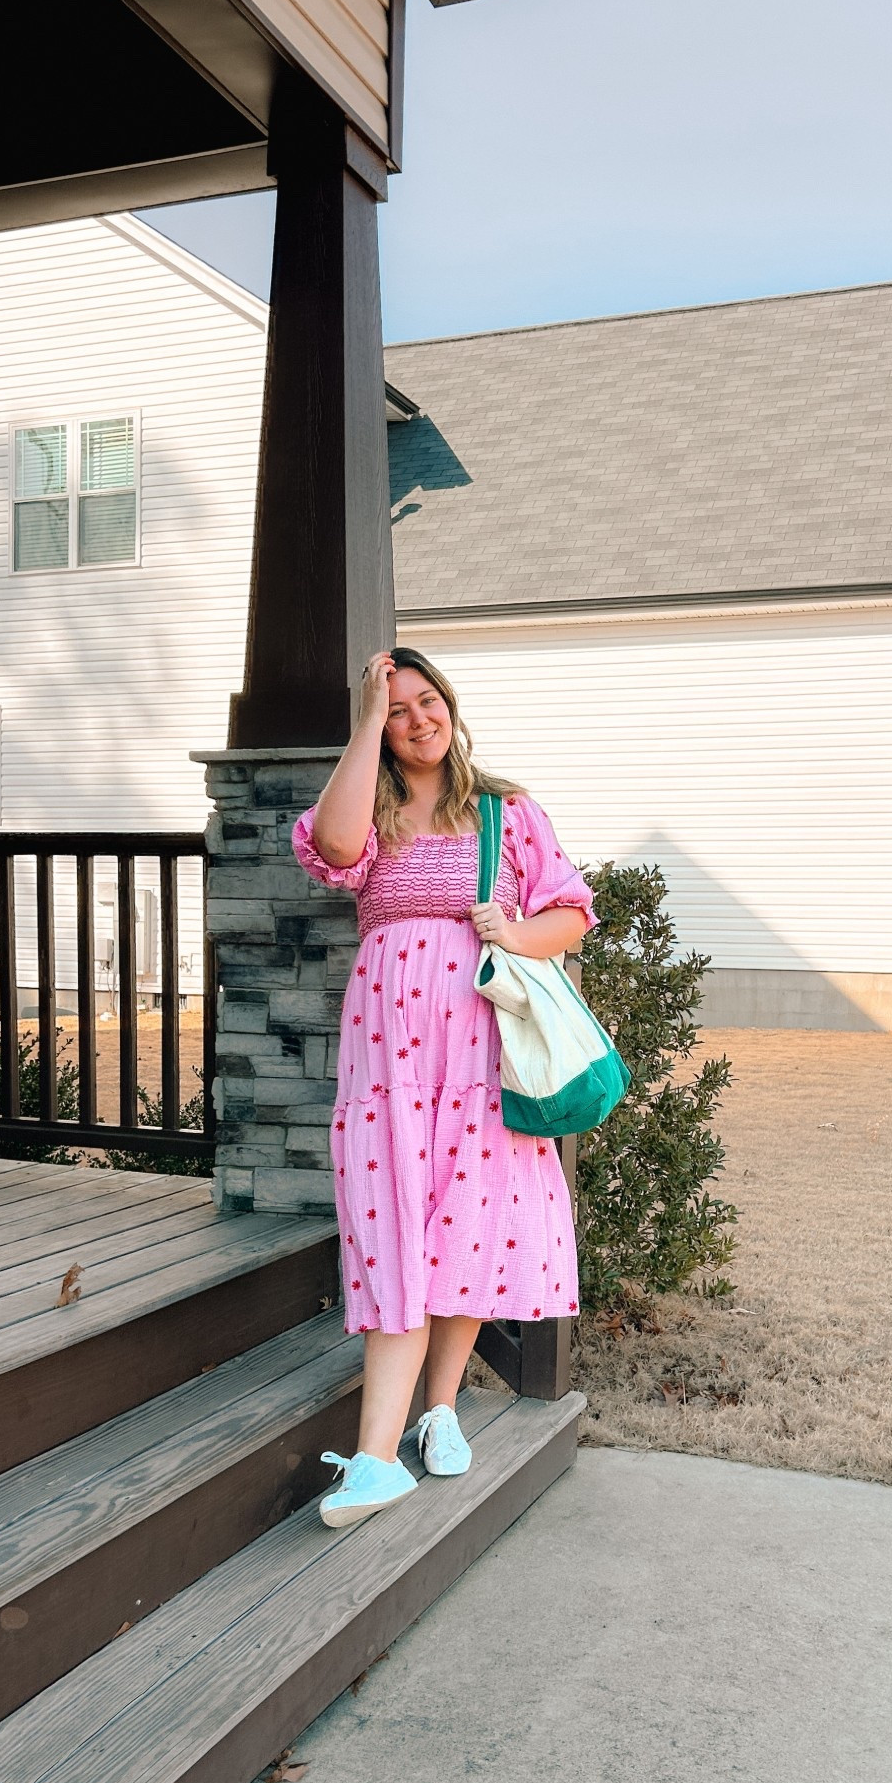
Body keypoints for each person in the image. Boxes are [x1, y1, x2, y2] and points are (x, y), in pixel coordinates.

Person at [291, 647, 597, 1528]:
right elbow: (335, 846)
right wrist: (360, 726)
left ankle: (437, 1410)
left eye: (427, 702)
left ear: (450, 707)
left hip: (479, 1044)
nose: (416, 719)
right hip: (389, 1049)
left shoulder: (505, 809)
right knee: (394, 1214)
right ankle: (382, 1454)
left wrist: (514, 926)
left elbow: (571, 914)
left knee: (466, 1218)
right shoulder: (370, 803)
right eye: (396, 710)